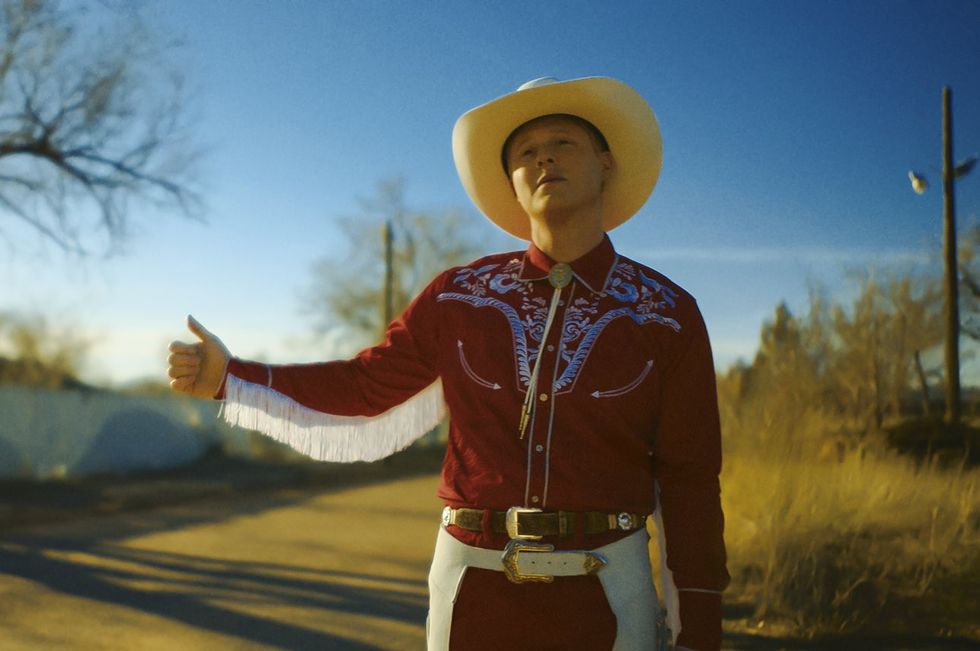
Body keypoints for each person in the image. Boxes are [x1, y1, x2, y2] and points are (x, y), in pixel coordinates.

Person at [168, 76, 729, 651]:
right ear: (511, 184)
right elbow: (365, 385)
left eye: (562, 144)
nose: (543, 161)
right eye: (525, 154)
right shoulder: (457, 296)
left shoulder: (667, 313)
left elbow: (689, 476)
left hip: (608, 591)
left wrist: (699, 624)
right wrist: (231, 377)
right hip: (472, 591)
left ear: (606, 163)